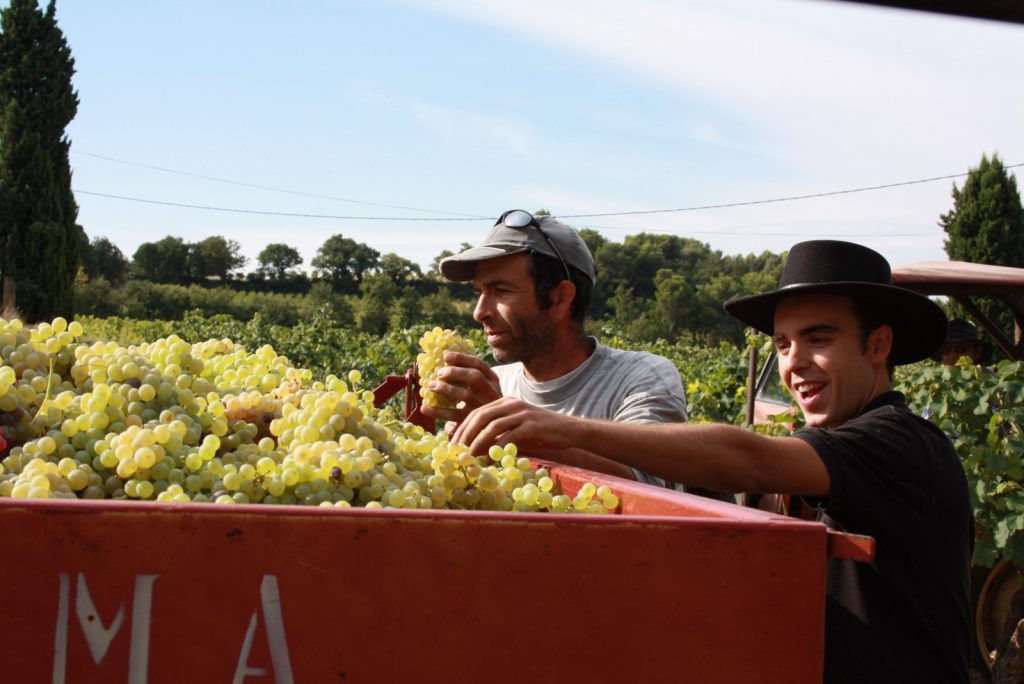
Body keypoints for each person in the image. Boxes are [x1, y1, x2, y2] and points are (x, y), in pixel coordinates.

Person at [453, 240, 973, 683]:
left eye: (820, 338)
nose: (794, 363)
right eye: (783, 344)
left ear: (878, 344)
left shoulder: (900, 443)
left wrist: (560, 428)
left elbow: (750, 459)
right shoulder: (831, 448)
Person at [423, 208, 691, 489]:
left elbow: (649, 491)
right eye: (480, 292)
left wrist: (510, 434)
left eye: (501, 291)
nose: (479, 312)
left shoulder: (638, 378)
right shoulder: (494, 383)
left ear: (560, 298)